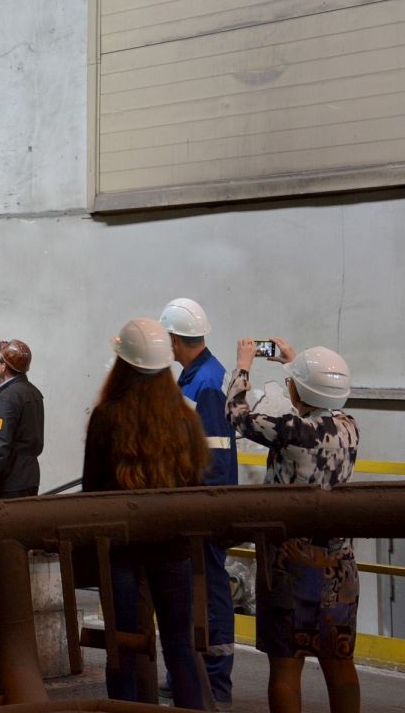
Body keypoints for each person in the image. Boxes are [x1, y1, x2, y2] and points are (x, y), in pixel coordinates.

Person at [226, 337, 360, 713]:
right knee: (340, 661)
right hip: (339, 562)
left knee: (287, 663)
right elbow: (319, 399)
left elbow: (236, 414)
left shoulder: (290, 429)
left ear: (296, 390)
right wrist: (293, 363)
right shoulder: (351, 429)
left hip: (289, 562)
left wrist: (243, 367)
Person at [82, 318, 209, 710]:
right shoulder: (186, 420)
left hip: (120, 550)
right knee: (179, 646)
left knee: (123, 646)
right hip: (172, 550)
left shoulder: (107, 418)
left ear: (122, 363)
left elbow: (92, 491)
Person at [160, 297, 237, 709]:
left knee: (209, 592)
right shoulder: (194, 376)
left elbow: (215, 455)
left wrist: (203, 509)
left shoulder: (206, 381)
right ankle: (186, 673)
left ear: (175, 339)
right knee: (191, 593)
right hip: (190, 503)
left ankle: (215, 681)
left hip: (203, 507)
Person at [0, 339, 44, 498]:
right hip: (30, 477)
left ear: (3, 367)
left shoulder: (8, 398)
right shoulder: (33, 393)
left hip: (12, 480)